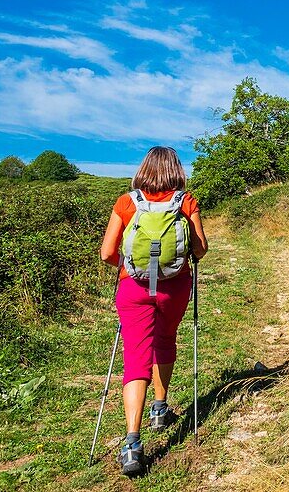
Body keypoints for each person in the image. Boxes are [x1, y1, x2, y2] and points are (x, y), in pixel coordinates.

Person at [99, 146, 208, 476]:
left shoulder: (126, 201)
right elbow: (200, 249)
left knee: (136, 357)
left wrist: (130, 267)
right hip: (173, 287)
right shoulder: (185, 201)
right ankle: (160, 409)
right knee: (165, 340)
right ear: (176, 170)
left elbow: (106, 253)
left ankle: (132, 443)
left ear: (143, 169)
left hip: (133, 288)